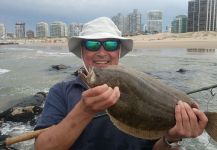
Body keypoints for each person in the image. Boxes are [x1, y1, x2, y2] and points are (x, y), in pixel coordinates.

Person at [34, 17, 208, 150]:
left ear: (118, 51)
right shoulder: (61, 91)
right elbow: (42, 147)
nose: (102, 53)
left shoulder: (145, 86)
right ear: (82, 50)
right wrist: (85, 110)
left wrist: (172, 138)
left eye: (110, 44)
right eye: (93, 44)